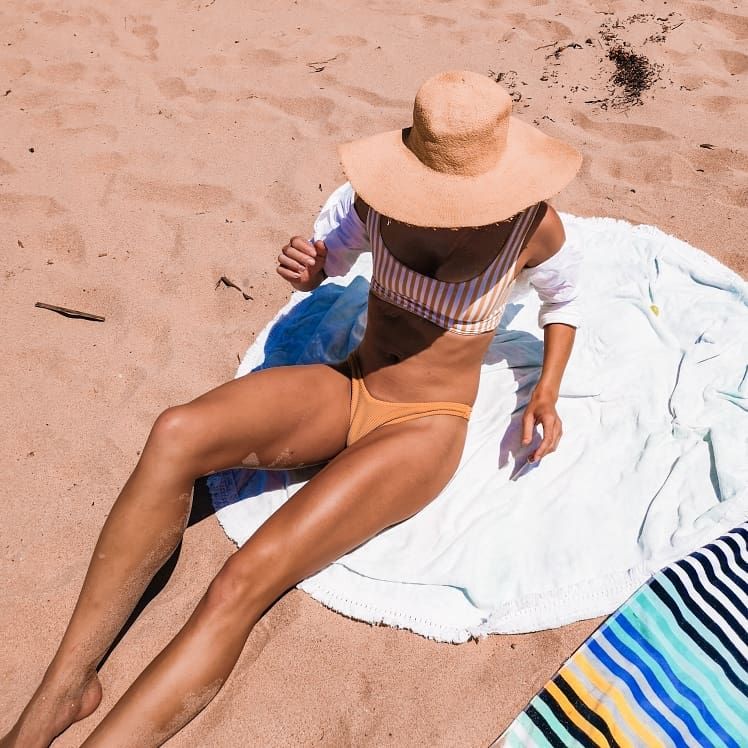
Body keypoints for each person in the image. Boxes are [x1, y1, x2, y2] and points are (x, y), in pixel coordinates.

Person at [2, 70, 583, 747]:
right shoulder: (381, 201)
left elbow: (566, 301)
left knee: (243, 581)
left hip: (424, 428)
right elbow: (329, 261)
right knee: (176, 432)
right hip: (354, 382)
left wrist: (545, 390)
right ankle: (64, 689)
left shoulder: (531, 228)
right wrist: (310, 269)